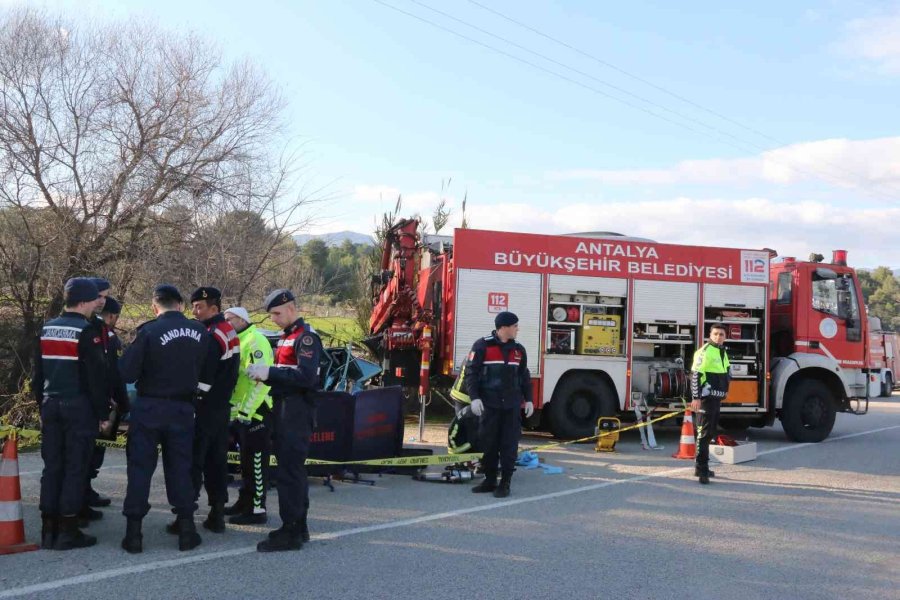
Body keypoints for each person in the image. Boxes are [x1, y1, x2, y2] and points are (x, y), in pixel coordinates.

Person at [119, 285, 218, 554]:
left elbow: (126, 372)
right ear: (181, 305)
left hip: (149, 407)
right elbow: (208, 371)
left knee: (140, 469)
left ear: (155, 307)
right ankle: (187, 531)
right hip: (183, 409)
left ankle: (133, 535)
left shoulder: (148, 331)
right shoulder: (200, 332)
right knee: (180, 469)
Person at [32, 277, 109, 550]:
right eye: (94, 301)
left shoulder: (46, 328)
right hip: (79, 408)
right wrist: (103, 412)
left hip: (51, 404)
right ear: (85, 301)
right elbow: (96, 378)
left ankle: (47, 529)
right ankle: (67, 530)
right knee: (75, 468)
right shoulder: (88, 331)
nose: (96, 306)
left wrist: (41, 403)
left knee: (52, 467)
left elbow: (37, 375)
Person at [247, 289, 323, 552]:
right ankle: (298, 526)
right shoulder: (287, 337)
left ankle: (291, 530)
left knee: (289, 473)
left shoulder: (306, 338)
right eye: (272, 315)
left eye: (277, 313)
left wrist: (270, 372)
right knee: (292, 470)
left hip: (296, 410)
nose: (274, 319)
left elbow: (306, 377)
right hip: (284, 408)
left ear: (291, 308)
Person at [169, 286, 240, 535]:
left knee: (193, 463)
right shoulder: (227, 330)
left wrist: (194, 401)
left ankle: (184, 518)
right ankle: (217, 513)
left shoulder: (212, 335)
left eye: (199, 307)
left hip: (206, 408)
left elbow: (205, 377)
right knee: (217, 462)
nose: (195, 311)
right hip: (221, 409)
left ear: (214, 307)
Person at [464, 311, 533, 499]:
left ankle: (505, 483)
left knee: (509, 445)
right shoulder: (482, 346)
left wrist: (529, 399)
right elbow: (472, 373)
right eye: (515, 326)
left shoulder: (519, 350)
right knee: (488, 442)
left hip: (511, 406)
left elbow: (524, 376)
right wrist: (475, 397)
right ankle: (489, 480)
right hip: (490, 405)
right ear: (504, 327)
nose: (517, 329)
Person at [223, 306, 274, 525]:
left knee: (255, 464)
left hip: (256, 413)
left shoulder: (255, 340)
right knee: (245, 463)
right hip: (242, 414)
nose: (227, 324)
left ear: (242, 320)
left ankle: (257, 509)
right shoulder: (239, 341)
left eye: (230, 320)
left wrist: (246, 412)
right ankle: (244, 502)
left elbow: (261, 382)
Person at [82, 280, 127, 516]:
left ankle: (85, 490)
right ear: (112, 316)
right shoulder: (104, 334)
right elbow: (113, 372)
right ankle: (82, 494)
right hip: (103, 403)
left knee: (94, 450)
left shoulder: (96, 331)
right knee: (92, 451)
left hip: (99, 402)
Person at [690, 322, 730, 485]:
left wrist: (725, 389)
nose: (718, 337)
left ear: (725, 337)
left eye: (721, 334)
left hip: (716, 399)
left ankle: (700, 467)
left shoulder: (722, 351)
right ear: (710, 335)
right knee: (703, 434)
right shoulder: (704, 352)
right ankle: (702, 470)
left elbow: (726, 372)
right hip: (705, 400)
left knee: (710, 433)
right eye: (715, 334)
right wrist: (696, 397)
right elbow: (695, 376)